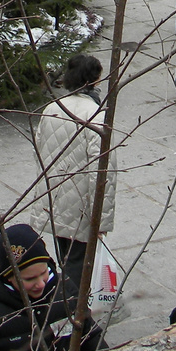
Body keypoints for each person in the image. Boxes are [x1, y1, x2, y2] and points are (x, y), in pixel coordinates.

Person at [34, 54, 116, 295]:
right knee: (79, 265)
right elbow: (103, 173)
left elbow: (40, 151)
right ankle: (73, 312)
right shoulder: (97, 116)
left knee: (65, 257)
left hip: (55, 197)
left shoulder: (53, 108)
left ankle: (66, 305)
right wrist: (101, 218)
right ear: (95, 79)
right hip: (81, 204)